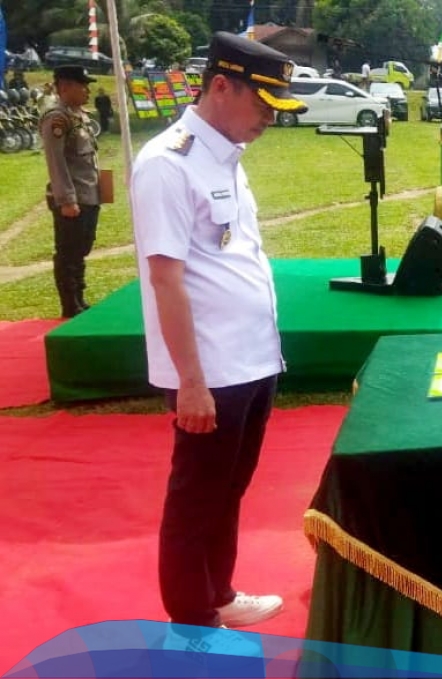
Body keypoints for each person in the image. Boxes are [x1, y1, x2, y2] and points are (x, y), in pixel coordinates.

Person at [129, 31, 309, 637]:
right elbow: (166, 281)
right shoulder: (166, 164)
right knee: (195, 499)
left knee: (228, 489)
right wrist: (191, 384)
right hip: (210, 372)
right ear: (221, 86)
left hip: (252, 360)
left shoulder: (224, 156)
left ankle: (219, 595)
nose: (268, 120)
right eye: (262, 105)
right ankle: (192, 623)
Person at [39, 65, 102, 318]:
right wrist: (66, 199)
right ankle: (70, 303)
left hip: (88, 193)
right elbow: (56, 162)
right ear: (65, 87)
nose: (87, 90)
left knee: (81, 248)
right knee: (68, 251)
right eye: (82, 85)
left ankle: (79, 297)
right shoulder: (57, 117)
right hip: (72, 197)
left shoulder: (78, 115)